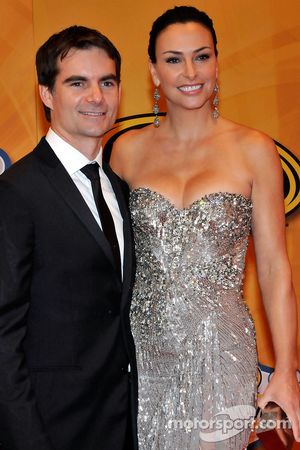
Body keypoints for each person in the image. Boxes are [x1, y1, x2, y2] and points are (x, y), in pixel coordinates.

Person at [110, 6, 300, 450]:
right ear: (154, 72)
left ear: (217, 61)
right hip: (141, 354)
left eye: (202, 56)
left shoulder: (254, 150)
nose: (190, 71)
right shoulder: (124, 153)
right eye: (173, 59)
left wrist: (287, 370)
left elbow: (274, 268)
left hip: (221, 351)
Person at [0, 26, 137, 450]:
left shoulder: (120, 186)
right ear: (46, 94)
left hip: (120, 424)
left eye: (107, 82)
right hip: (49, 429)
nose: (96, 97)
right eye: (77, 83)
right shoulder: (16, 192)